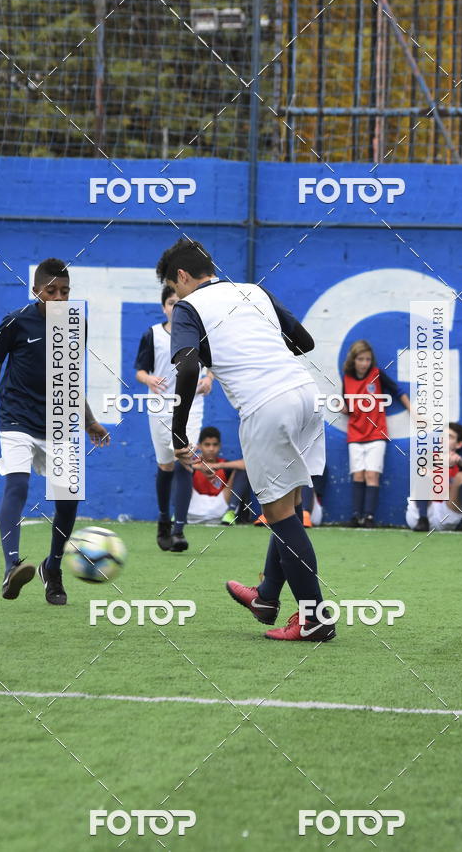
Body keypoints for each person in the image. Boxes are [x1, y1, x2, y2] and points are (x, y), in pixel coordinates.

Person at [156, 238, 334, 642]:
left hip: (267, 406)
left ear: (182, 276)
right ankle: (267, 596)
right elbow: (304, 342)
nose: (175, 294)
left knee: (280, 515)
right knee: (288, 504)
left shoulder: (188, 307)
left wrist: (179, 433)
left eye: (173, 286)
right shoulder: (253, 290)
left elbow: (187, 368)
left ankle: (315, 619)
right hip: (306, 395)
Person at [0, 257, 109, 604]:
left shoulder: (76, 324)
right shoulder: (16, 322)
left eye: (65, 291)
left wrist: (89, 420)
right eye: (51, 291)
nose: (59, 298)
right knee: (17, 485)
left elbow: (71, 377)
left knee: (69, 498)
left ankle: (53, 567)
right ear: (36, 291)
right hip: (16, 417)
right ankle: (11, 567)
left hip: (58, 421)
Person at [134, 285, 213, 551]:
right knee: (166, 464)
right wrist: (148, 379)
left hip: (192, 405)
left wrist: (209, 379)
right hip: (160, 406)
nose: (175, 307)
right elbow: (140, 370)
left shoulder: (199, 334)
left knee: (186, 460)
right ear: (163, 307)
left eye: (180, 303)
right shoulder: (153, 334)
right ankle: (163, 521)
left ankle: (179, 530)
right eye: (171, 303)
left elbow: (213, 363)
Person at [342, 339, 410, 527]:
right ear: (353, 360)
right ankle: (356, 516)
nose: (364, 363)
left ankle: (369, 517)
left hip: (376, 434)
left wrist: (413, 411)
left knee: (372, 475)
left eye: (367, 359)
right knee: (358, 475)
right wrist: (344, 408)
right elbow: (348, 405)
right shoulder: (347, 378)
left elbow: (398, 391)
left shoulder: (377, 375)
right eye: (360, 359)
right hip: (355, 434)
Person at [406, 422, 462, 533]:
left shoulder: (460, 463)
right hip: (421, 513)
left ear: (459, 444)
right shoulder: (428, 456)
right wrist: (443, 464)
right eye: (442, 435)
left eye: (449, 437)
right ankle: (423, 520)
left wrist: (461, 464)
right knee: (424, 471)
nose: (444, 439)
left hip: (446, 514)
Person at [188, 426, 252, 525]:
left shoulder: (224, 464)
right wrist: (200, 467)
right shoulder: (193, 463)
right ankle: (178, 512)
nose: (211, 449)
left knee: (241, 470)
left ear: (220, 446)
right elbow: (173, 464)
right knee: (181, 470)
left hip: (221, 507)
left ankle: (230, 512)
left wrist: (217, 466)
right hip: (194, 508)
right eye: (207, 445)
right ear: (199, 446)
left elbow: (247, 464)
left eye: (215, 445)